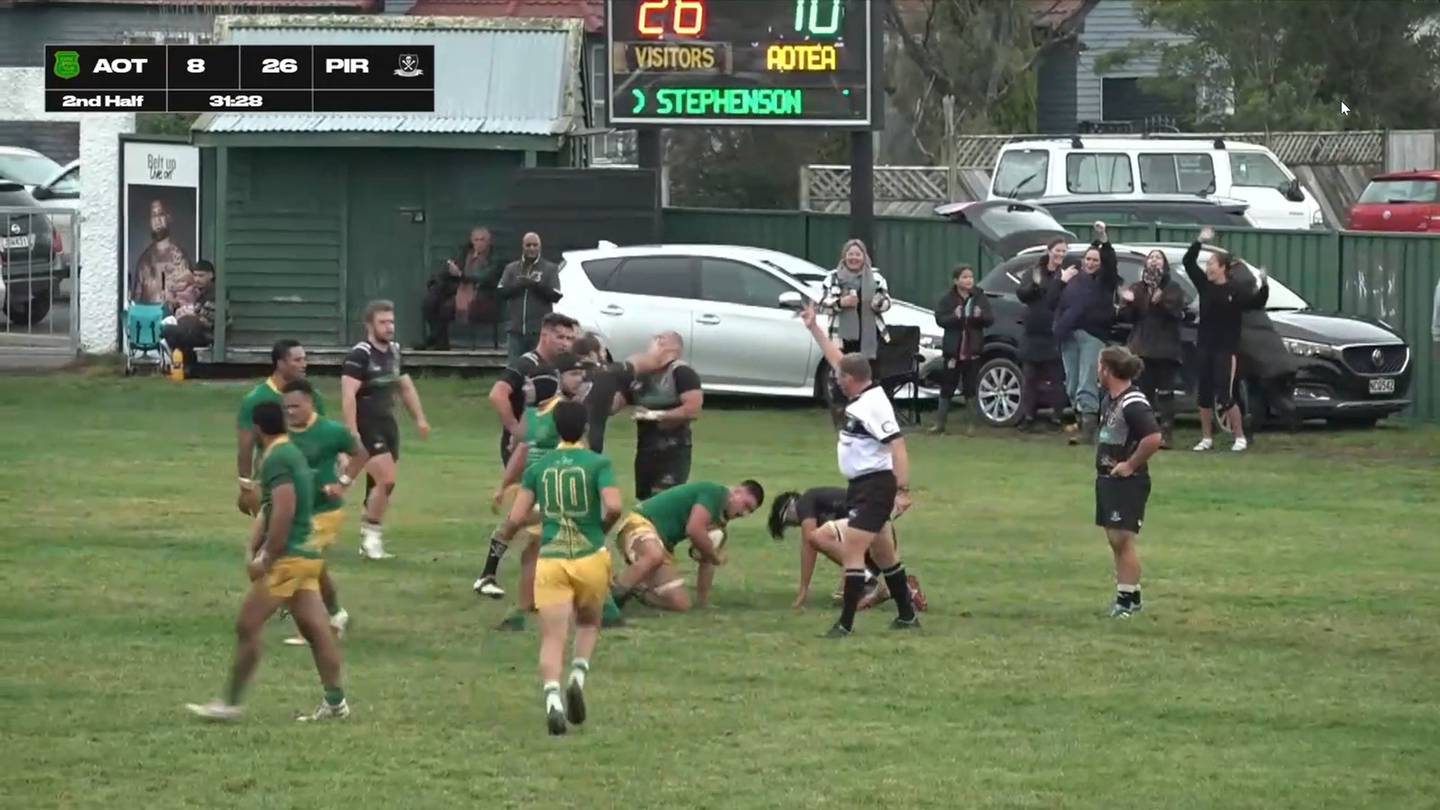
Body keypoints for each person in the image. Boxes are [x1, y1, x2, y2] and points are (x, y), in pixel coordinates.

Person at [474, 336, 679, 603]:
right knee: (529, 530)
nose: (580, 380)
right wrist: (504, 484)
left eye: (581, 375)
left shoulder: (573, 408)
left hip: (558, 482)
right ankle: (516, 587)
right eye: (573, 375)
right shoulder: (550, 410)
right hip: (544, 483)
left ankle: (522, 590)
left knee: (535, 538)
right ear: (559, 377)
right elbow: (524, 449)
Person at [186, 401, 349, 723]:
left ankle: (230, 704)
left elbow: (284, 509)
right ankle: (336, 703)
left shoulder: (278, 458)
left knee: (248, 625)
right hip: (309, 554)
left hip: (289, 558)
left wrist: (266, 557)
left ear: (258, 429)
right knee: (318, 631)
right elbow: (273, 507)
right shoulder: (290, 452)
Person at [492, 400, 622, 735]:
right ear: (585, 429)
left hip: (550, 560)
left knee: (552, 636)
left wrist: (505, 537)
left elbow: (518, 517)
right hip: (589, 556)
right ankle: (577, 677)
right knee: (589, 623)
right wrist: (600, 529)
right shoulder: (598, 462)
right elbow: (614, 506)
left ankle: (552, 699)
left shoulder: (539, 467)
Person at [799, 302, 919, 637]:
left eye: (839, 377)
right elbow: (840, 359)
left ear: (851, 381)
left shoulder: (874, 406)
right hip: (862, 486)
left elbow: (898, 445)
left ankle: (846, 624)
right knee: (885, 556)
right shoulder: (862, 389)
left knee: (853, 551)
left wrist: (903, 490)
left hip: (875, 487)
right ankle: (908, 616)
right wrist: (814, 328)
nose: (835, 379)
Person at [278, 379, 370, 647]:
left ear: (309, 402)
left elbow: (361, 453)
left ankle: (313, 628)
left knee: (300, 563)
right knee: (315, 568)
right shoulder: (282, 433)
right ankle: (336, 615)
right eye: (286, 408)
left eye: (296, 406)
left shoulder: (330, 431)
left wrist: (343, 483)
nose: (291, 412)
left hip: (325, 512)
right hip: (294, 512)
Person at [342, 300, 431, 560]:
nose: (389, 327)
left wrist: (420, 419)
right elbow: (348, 395)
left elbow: (404, 386)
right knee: (388, 479)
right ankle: (371, 536)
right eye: (383, 322)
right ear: (369, 325)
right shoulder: (360, 354)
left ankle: (342, 495)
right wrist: (352, 431)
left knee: (379, 486)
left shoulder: (394, 351)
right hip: (367, 422)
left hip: (387, 423)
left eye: (391, 321)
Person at [610, 480, 765, 613]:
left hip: (661, 546)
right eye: (745, 505)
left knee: (681, 604)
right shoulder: (714, 492)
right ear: (737, 491)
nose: (744, 513)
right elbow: (694, 529)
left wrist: (703, 602)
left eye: (749, 511)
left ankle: (634, 587)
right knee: (654, 555)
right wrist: (714, 556)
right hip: (639, 524)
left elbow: (707, 563)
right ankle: (609, 600)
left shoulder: (719, 526)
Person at [767, 487, 926, 613]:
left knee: (816, 539)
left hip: (872, 538)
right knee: (844, 599)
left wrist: (803, 591)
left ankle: (867, 580)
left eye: (789, 523)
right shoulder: (825, 510)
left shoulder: (805, 502)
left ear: (788, 510)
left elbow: (809, 546)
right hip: (881, 539)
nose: (795, 525)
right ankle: (906, 590)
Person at [1094, 346, 1163, 618]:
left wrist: (1130, 464)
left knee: (1123, 539)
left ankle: (1127, 600)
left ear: (1107, 370)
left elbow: (1153, 438)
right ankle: (1129, 594)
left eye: (1099, 366)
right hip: (1108, 480)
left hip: (1127, 482)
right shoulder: (1111, 398)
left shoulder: (1133, 403)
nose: (1097, 371)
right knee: (1116, 539)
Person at [236, 339, 324, 518]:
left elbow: (321, 437)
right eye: (297, 360)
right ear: (280, 363)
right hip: (272, 479)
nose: (304, 365)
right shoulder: (256, 399)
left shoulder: (313, 397)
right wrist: (246, 485)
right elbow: (246, 446)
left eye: (304, 359)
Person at [1184, 227, 1252, 452]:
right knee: (1203, 394)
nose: (1208, 267)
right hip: (1205, 346)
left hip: (1226, 349)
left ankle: (1239, 437)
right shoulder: (1205, 287)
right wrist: (1199, 241)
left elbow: (1253, 299)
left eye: (1212, 263)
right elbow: (1188, 261)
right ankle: (1206, 438)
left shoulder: (1235, 290)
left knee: (1225, 394)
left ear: (1222, 267)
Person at [1053, 221, 1120, 446]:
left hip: (1092, 335)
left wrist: (1103, 239)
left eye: (1095, 260)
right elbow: (1053, 301)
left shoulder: (1105, 282)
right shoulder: (1073, 280)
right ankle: (1083, 422)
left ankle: (1088, 430)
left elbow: (1110, 263)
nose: (1091, 263)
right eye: (1088, 259)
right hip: (1068, 335)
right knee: (1071, 384)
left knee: (1086, 381)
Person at [487, 312, 577, 470]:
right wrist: (515, 429)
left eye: (570, 339)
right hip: (523, 448)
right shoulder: (527, 364)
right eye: (560, 337)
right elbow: (497, 394)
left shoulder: (560, 367)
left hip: (547, 445)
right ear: (544, 335)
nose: (565, 344)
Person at [1117, 249, 1188, 448]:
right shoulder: (1139, 287)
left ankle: (1166, 433)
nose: (1154, 261)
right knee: (1143, 393)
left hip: (1165, 348)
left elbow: (1176, 312)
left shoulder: (1172, 287)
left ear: (1164, 264)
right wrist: (1128, 304)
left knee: (1165, 392)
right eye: (1151, 257)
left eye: (1158, 258)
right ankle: (1144, 433)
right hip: (1142, 348)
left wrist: (1162, 301)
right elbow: (1127, 317)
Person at [626, 331, 703, 500]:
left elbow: (693, 408)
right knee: (644, 500)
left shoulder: (682, 372)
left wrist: (656, 415)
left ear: (663, 344)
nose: (649, 349)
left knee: (664, 499)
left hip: (673, 450)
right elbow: (618, 401)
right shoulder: (644, 375)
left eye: (653, 343)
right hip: (646, 448)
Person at [1234, 264, 1300, 434]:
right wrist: (1264, 282)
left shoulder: (1238, 307)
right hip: (1277, 360)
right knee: (1266, 390)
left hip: (1257, 361)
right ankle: (1263, 421)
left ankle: (1258, 423)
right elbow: (1261, 296)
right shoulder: (1257, 308)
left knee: (1261, 391)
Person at [930, 264, 993, 434]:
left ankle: (972, 424)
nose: (969, 280)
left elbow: (990, 319)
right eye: (964, 277)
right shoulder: (947, 299)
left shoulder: (979, 297)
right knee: (948, 385)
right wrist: (954, 317)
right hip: (953, 350)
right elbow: (940, 319)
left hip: (972, 349)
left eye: (971, 277)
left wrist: (981, 316)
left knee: (970, 386)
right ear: (956, 280)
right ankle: (940, 423)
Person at [1015, 237, 1069, 432]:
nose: (1060, 255)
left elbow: (1056, 300)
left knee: (1056, 377)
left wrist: (1062, 283)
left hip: (1053, 331)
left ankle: (1056, 416)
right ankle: (1028, 415)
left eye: (1064, 251)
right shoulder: (1034, 272)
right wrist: (1035, 285)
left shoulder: (1064, 275)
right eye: (1057, 250)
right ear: (1049, 251)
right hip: (1033, 330)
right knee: (1030, 376)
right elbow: (1022, 294)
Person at [420, 226, 502, 351]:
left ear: (489, 241)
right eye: (476, 240)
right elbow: (453, 270)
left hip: (481, 294)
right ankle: (437, 338)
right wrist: (445, 274)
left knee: (445, 308)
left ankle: (438, 341)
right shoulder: (465, 253)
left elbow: (485, 278)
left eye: (482, 240)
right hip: (458, 288)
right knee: (429, 301)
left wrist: (461, 275)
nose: (479, 243)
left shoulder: (495, 258)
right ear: (471, 241)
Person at [498, 232, 563, 364]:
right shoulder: (512, 268)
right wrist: (520, 285)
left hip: (539, 331)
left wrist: (535, 285)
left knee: (538, 367)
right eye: (528, 245)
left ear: (540, 247)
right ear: (523, 246)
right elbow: (501, 292)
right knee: (514, 368)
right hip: (515, 329)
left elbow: (556, 295)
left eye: (535, 245)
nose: (532, 248)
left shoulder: (550, 268)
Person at [133, 198, 192, 308]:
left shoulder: (179, 256)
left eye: (160, 214)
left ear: (168, 218)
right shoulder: (144, 261)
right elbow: (137, 300)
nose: (157, 220)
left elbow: (187, 297)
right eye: (153, 215)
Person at [161, 260, 216, 371]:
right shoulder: (201, 292)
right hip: (198, 331)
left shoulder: (213, 293)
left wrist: (189, 316)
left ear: (211, 275)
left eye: (201, 276)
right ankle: (184, 365)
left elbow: (207, 321)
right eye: (195, 275)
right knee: (171, 329)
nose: (197, 279)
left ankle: (188, 366)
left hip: (209, 335)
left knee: (169, 331)